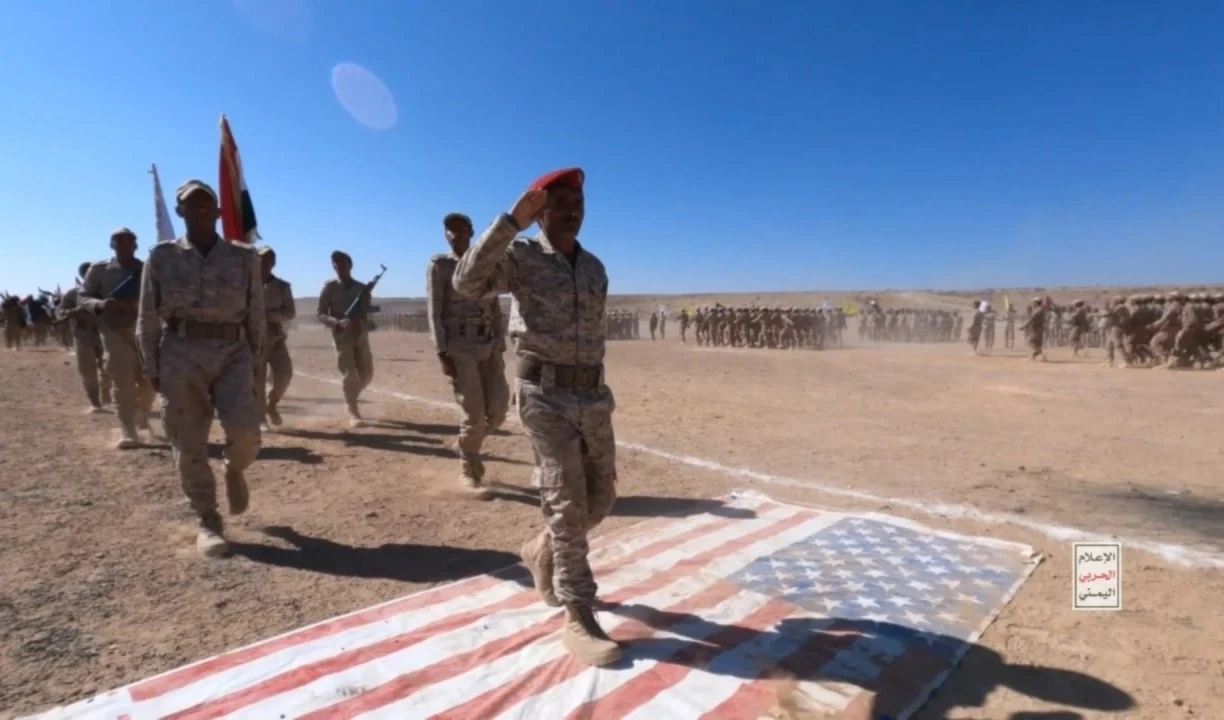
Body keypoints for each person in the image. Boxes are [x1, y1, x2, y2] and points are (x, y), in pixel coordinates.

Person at [452, 167, 621, 667]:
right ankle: (579, 612)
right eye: (561, 202)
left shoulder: (594, 268)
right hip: (544, 396)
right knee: (567, 502)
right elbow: (466, 281)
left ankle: (541, 549)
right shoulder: (522, 258)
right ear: (541, 212)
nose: (572, 210)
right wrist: (509, 222)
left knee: (602, 497)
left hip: (592, 395)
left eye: (578, 203)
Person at [137, 179, 266, 557]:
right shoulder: (161, 257)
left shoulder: (244, 257)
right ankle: (208, 520)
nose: (200, 211)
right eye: (191, 206)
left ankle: (234, 468)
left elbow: (256, 313)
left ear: (219, 212)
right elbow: (147, 316)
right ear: (180, 212)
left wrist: (256, 363)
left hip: (233, 352)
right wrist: (151, 364)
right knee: (188, 441)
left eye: (206, 204)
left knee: (245, 432)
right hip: (180, 352)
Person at [426, 212, 510, 496]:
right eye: (451, 231)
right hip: (459, 346)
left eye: (462, 231)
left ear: (472, 233)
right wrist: (441, 350)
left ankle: (465, 444)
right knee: (473, 414)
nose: (457, 236)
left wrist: (499, 341)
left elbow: (496, 306)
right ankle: (468, 468)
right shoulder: (440, 266)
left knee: (498, 410)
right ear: (445, 235)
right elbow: (434, 310)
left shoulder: (485, 262)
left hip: (488, 344)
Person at [80, 228, 157, 447]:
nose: (124, 245)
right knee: (121, 380)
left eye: (129, 241)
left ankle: (142, 413)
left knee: (150, 382)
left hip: (144, 329)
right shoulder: (99, 270)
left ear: (136, 245)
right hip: (113, 329)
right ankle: (128, 430)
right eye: (118, 241)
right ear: (112, 245)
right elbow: (83, 296)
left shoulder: (147, 270)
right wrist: (101, 304)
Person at [316, 251, 374, 427]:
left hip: (360, 334)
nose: (338, 266)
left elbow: (366, 311)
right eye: (335, 263)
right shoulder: (330, 287)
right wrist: (336, 322)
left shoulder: (361, 288)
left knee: (367, 375)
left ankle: (351, 398)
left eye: (341, 263)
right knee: (349, 373)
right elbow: (320, 313)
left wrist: (366, 307)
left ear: (350, 265)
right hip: (342, 336)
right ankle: (352, 410)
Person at [57, 261, 112, 412]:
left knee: (109, 368)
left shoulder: (108, 291)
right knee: (87, 371)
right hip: (83, 335)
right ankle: (95, 403)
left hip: (106, 334)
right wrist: (73, 312)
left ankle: (106, 393)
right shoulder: (72, 294)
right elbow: (60, 312)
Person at [255, 246, 296, 427]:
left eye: (269, 259)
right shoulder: (247, 285)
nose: (265, 263)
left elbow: (289, 312)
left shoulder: (282, 287)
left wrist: (269, 315)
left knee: (284, 374)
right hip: (253, 339)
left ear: (273, 263)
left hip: (276, 337)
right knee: (257, 379)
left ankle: (271, 404)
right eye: (262, 259)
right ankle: (260, 416)